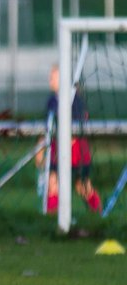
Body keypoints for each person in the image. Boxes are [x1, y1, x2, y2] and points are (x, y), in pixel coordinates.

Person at [38, 65, 101, 214]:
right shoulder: (51, 101)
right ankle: (52, 219)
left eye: (53, 76)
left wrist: (67, 141)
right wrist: (40, 147)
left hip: (78, 153)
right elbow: (47, 127)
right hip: (57, 152)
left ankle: (98, 213)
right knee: (53, 183)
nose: (50, 80)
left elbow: (77, 128)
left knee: (82, 186)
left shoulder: (76, 100)